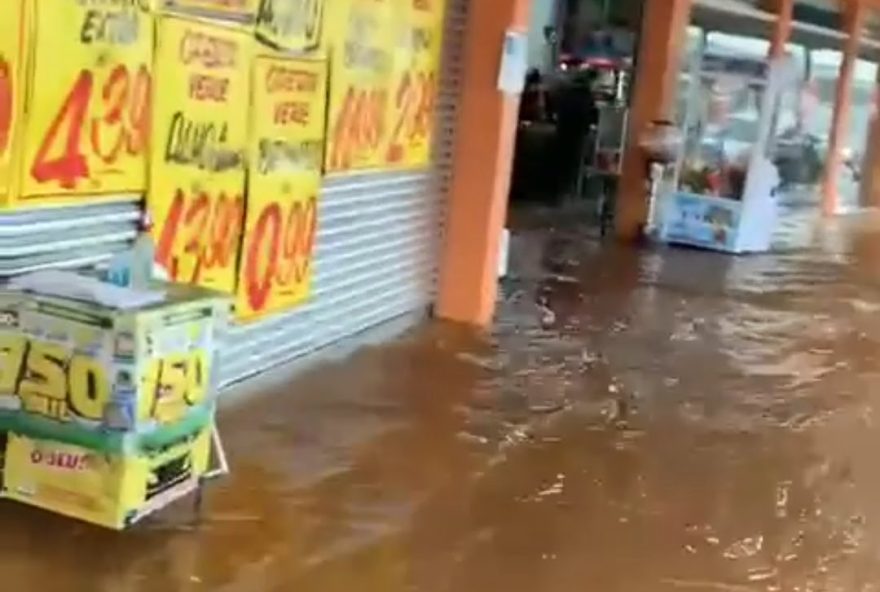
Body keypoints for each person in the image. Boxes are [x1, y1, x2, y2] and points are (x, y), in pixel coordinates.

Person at [554, 69, 598, 197]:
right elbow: (591, 115)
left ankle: (558, 190)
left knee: (560, 161)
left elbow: (559, 109)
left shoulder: (566, 93)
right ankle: (568, 189)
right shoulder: (587, 97)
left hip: (563, 129)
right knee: (573, 162)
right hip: (577, 132)